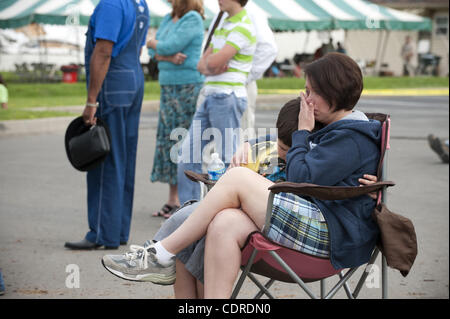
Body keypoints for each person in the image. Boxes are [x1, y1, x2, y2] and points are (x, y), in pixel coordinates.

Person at [102, 96, 379, 298]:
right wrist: (252, 142)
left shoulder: (330, 148)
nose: (282, 153)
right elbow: (282, 135)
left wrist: (366, 184)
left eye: (312, 89)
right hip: (265, 221)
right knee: (202, 218)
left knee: (219, 205)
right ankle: (159, 253)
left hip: (304, 236)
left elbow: (325, 160)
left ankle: (159, 252)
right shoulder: (299, 139)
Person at [64, 0, 150, 250]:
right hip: (133, 78)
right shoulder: (139, 3)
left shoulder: (111, 4)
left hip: (113, 83)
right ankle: (118, 229)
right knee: (124, 158)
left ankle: (102, 233)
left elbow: (103, 50)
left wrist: (91, 101)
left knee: (105, 160)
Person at [176, 0, 256, 205]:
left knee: (228, 158)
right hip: (211, 95)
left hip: (227, 96)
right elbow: (202, 64)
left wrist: (211, 63)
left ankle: (229, 208)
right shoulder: (224, 24)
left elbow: (211, 61)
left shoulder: (243, 26)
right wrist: (211, 64)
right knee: (187, 154)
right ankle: (189, 212)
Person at [146, 0, 205, 219]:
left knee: (182, 141)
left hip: (187, 86)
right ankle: (172, 199)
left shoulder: (193, 19)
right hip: (167, 86)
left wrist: (157, 46)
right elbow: (155, 51)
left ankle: (184, 199)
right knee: (168, 140)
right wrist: (165, 55)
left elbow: (169, 44)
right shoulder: (167, 18)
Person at [204, 6, 277, 135]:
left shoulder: (251, 13)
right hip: (215, 87)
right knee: (213, 143)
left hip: (236, 89)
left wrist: (242, 76)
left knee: (239, 142)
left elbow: (268, 49)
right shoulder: (222, 14)